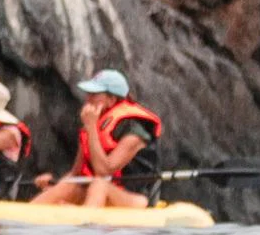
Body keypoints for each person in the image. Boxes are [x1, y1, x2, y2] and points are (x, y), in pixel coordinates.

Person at [26, 70, 164, 209]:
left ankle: (85, 218)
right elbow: (76, 173)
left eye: (94, 95)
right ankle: (31, 211)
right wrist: (55, 185)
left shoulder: (135, 131)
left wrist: (91, 128)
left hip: (137, 199)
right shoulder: (92, 123)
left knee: (100, 184)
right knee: (69, 186)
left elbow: (104, 171)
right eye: (88, 94)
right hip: (97, 191)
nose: (88, 99)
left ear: (112, 100)